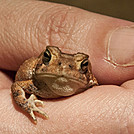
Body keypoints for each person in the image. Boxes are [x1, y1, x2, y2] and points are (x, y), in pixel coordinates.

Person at [0, 0, 134, 133]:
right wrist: (26, 104)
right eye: (48, 58)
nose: (63, 69)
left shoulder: (91, 85)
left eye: (83, 65)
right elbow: (17, 86)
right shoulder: (34, 84)